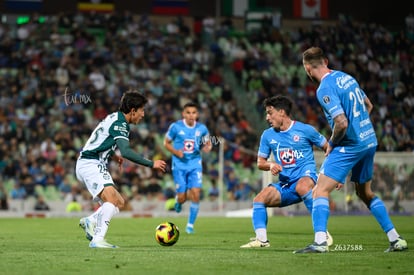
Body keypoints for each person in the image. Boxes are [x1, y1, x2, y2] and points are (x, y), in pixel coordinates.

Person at [295, 47, 408, 253]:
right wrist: (361, 126)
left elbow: (341, 122)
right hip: (369, 141)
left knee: (319, 190)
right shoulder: (347, 78)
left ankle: (320, 243)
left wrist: (332, 143)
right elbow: (368, 105)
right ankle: (396, 239)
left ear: (308, 68)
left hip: (351, 144)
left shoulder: (324, 88)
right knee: (364, 193)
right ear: (326, 61)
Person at [76, 90, 167, 248]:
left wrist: (113, 155)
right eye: (142, 110)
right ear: (133, 111)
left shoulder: (113, 117)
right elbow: (126, 151)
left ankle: (90, 220)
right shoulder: (121, 123)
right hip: (91, 163)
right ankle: (97, 240)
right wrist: (152, 164)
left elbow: (102, 141)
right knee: (112, 200)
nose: (143, 114)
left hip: (89, 163)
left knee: (119, 202)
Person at [240, 95, 332, 248]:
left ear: (282, 112)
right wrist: (270, 165)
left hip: (306, 178)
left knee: (302, 186)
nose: (267, 117)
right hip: (285, 185)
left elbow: (328, 148)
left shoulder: (305, 130)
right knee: (258, 200)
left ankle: (323, 233)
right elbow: (260, 163)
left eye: (270, 112)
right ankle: (262, 240)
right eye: (266, 113)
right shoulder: (267, 135)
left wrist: (330, 174)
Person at [164, 102, 212, 234]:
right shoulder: (175, 127)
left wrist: (208, 146)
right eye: (188, 112)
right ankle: (178, 201)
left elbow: (208, 142)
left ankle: (190, 225)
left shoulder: (202, 128)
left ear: (197, 114)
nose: (191, 115)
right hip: (179, 165)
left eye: (194, 112)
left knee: (196, 194)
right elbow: (166, 143)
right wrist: (175, 152)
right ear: (183, 114)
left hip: (195, 164)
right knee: (183, 197)